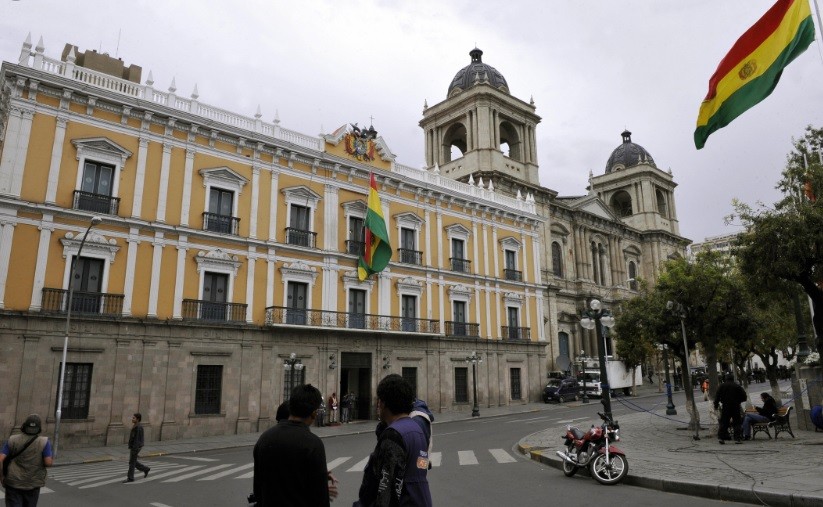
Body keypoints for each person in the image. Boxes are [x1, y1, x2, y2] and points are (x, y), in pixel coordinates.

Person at [253, 384, 338, 507]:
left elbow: (259, 489)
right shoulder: (312, 443)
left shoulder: (265, 438)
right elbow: (319, 499)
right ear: (314, 414)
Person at [355, 374, 432, 507]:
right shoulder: (418, 429)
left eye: (379, 401)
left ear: (383, 403)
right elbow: (421, 467)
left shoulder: (393, 435)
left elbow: (386, 488)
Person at [0, 414, 53, 507]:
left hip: (13, 482)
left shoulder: (12, 440)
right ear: (39, 428)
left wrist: (2, 477)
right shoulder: (44, 442)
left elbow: (1, 459)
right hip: (32, 484)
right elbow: (48, 463)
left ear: (24, 426)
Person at [714, 374, 748, 444]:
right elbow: (744, 397)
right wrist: (739, 401)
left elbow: (717, 397)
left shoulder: (721, 386)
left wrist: (716, 405)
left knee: (724, 422)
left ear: (725, 379)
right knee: (737, 422)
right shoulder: (737, 386)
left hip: (725, 406)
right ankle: (737, 438)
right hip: (735, 406)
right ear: (733, 379)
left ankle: (721, 438)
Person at [124, 413, 150, 482]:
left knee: (132, 463)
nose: (132, 419)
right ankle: (145, 469)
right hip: (134, 447)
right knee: (133, 461)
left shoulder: (138, 427)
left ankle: (130, 478)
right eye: (132, 418)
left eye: (134, 418)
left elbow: (137, 439)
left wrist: (135, 449)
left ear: (137, 419)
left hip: (135, 447)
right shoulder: (136, 426)